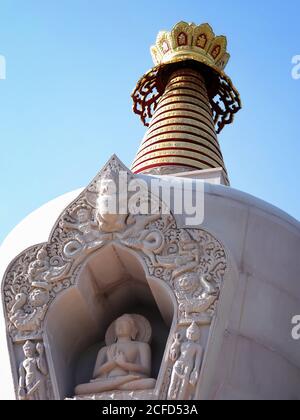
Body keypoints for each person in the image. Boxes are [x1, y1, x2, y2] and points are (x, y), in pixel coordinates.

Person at [75, 314, 155, 395]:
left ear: (133, 329)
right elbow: (96, 374)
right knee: (78, 389)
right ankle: (117, 383)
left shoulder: (141, 346)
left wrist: (124, 364)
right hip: (108, 380)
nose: (120, 326)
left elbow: (146, 370)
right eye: (117, 325)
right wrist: (112, 363)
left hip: (130, 380)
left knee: (151, 383)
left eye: (124, 323)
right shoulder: (104, 350)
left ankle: (111, 386)